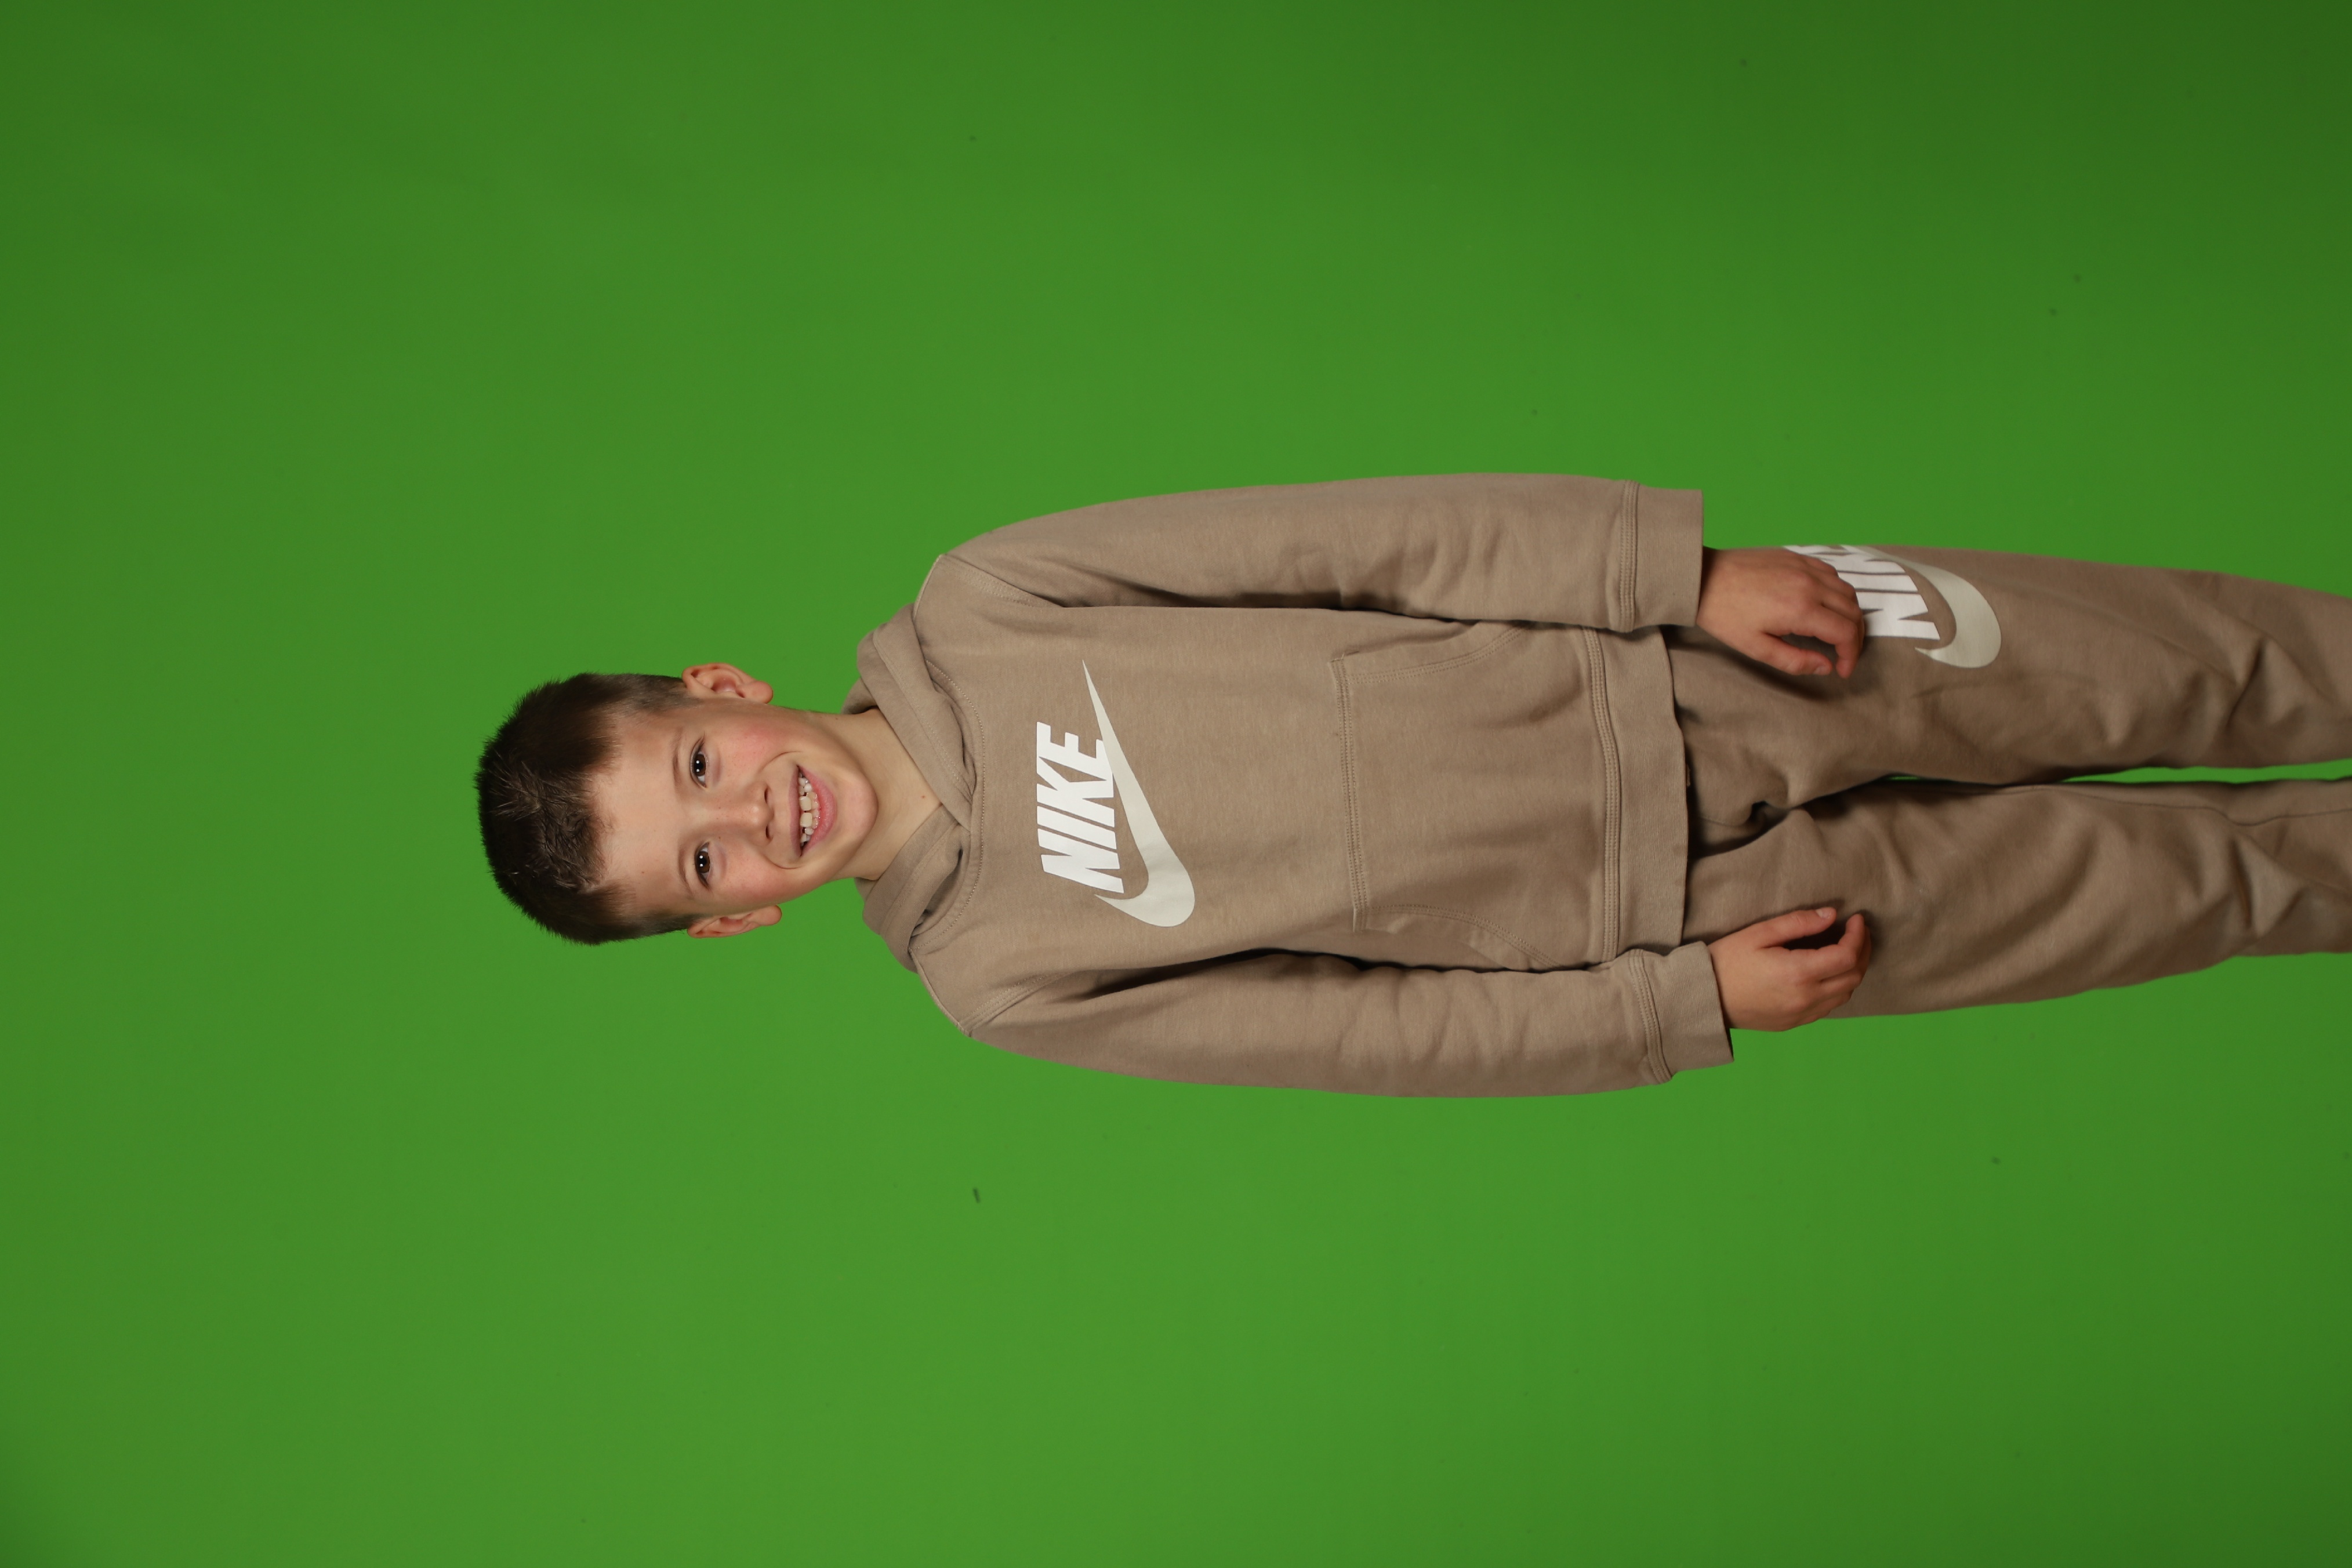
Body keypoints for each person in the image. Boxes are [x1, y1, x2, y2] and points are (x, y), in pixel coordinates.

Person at [474, 474, 2352, 1095]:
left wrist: (1676, 573)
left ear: (720, 690)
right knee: (2193, 887)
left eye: (697, 765)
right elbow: (1375, 1039)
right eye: (702, 860)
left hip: (1688, 662)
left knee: (2183, 660)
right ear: (731, 922)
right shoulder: (998, 978)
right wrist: (1683, 1002)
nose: (749, 814)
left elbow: (1368, 537)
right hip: (1695, 922)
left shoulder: (990, 601)